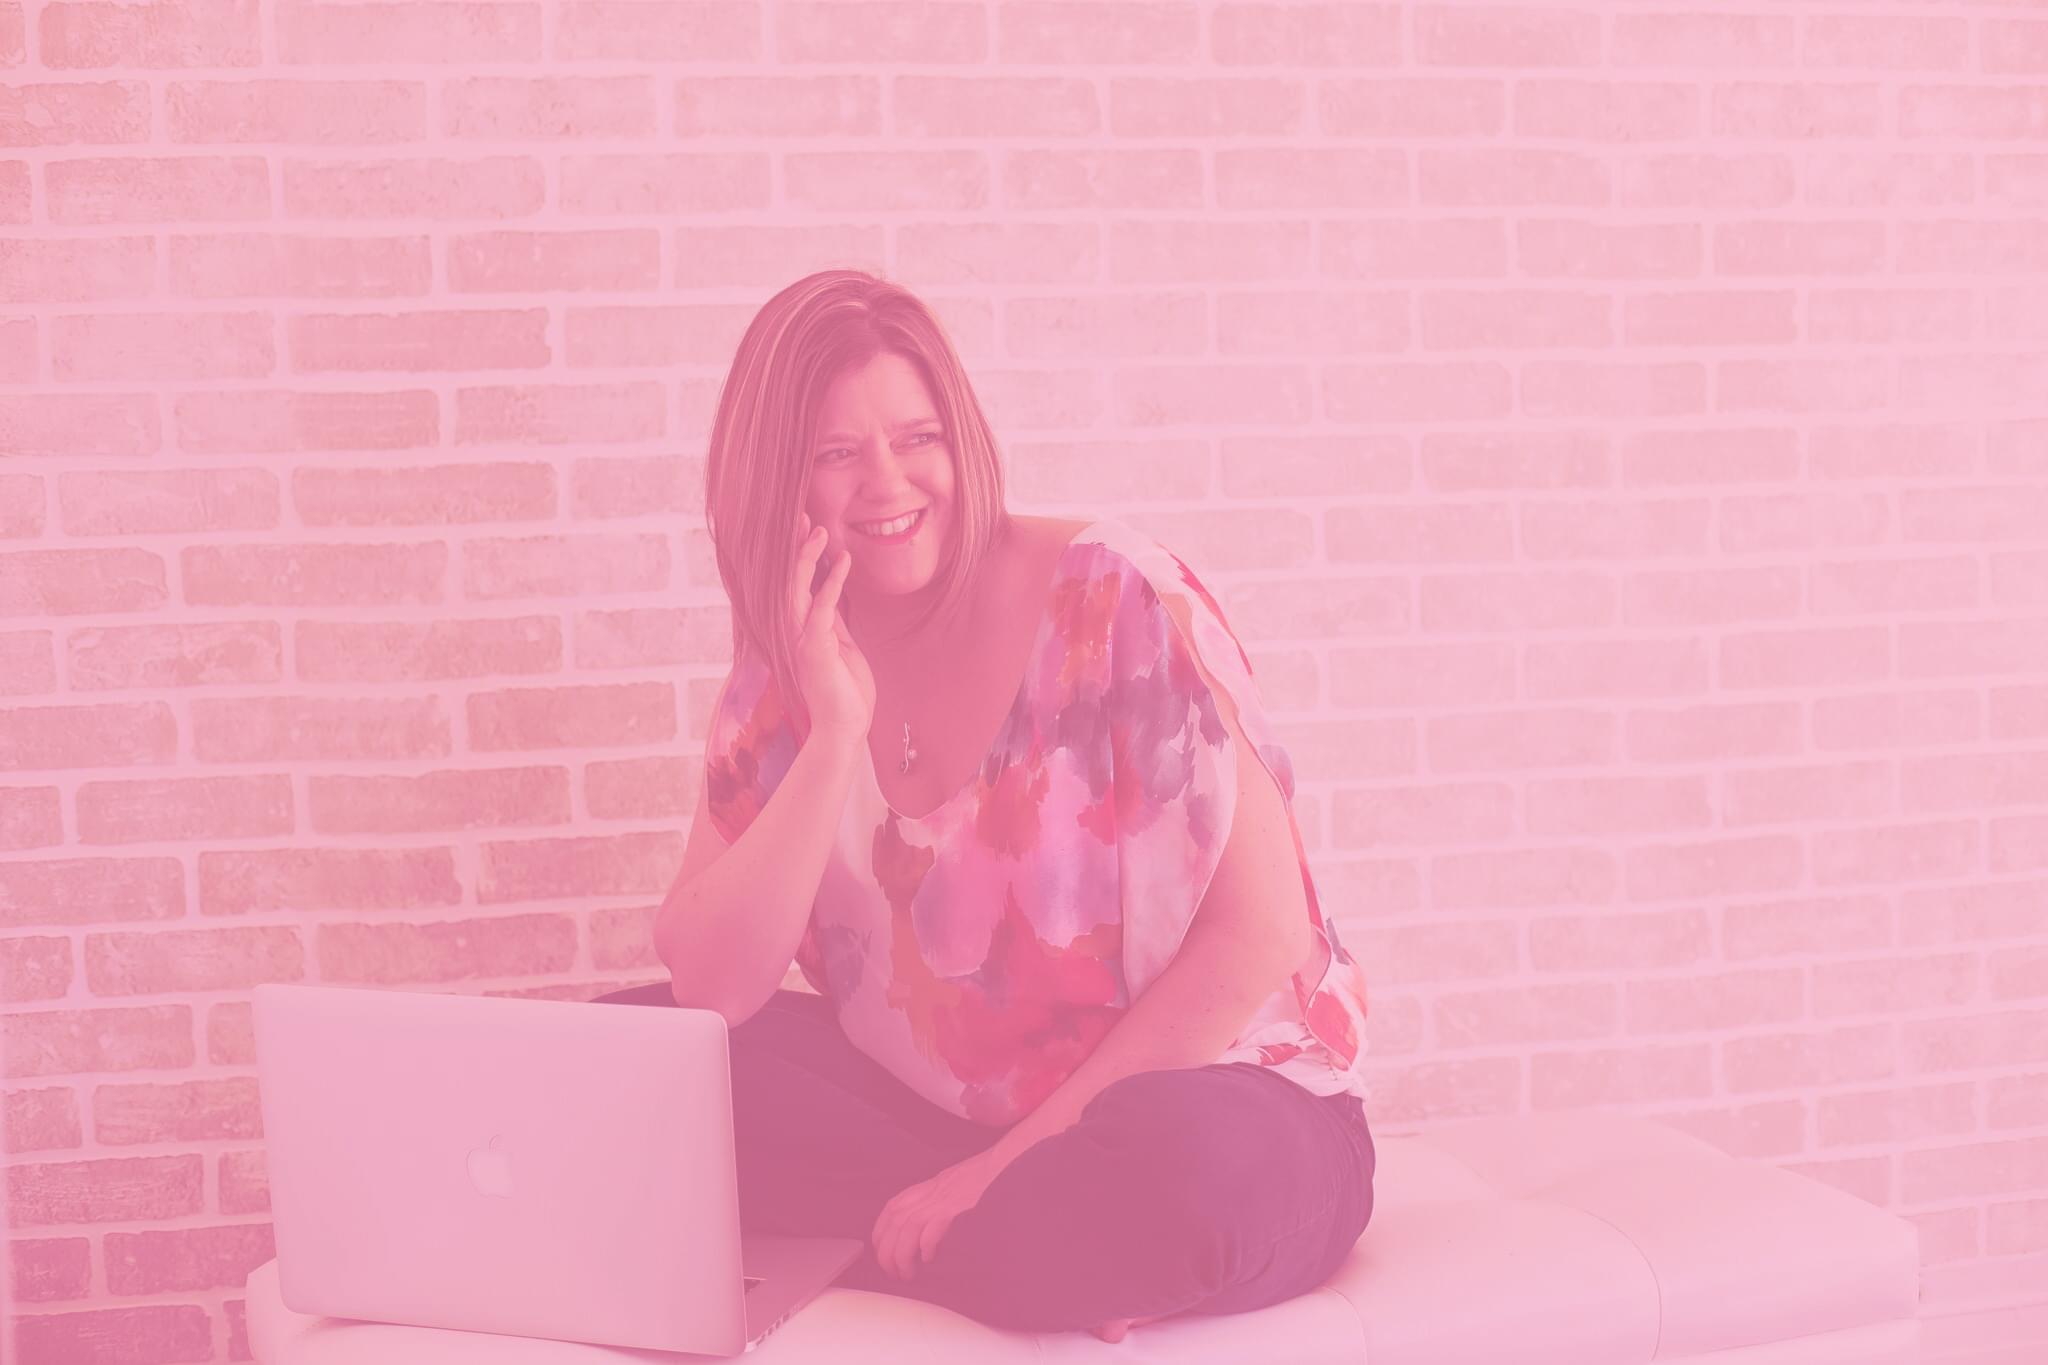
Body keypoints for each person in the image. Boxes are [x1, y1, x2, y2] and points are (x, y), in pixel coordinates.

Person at [654, 268, 1375, 1342]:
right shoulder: (795, 650)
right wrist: (835, 734)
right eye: (836, 454)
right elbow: (712, 984)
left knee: (1176, 1175)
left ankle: (958, 1235)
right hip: (948, 1121)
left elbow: (1258, 935)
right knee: (651, 1070)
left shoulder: (1114, 594)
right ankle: (988, 1242)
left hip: (1208, 1094)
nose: (887, 482)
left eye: (917, 438)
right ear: (780, 482)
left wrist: (1000, 1169)